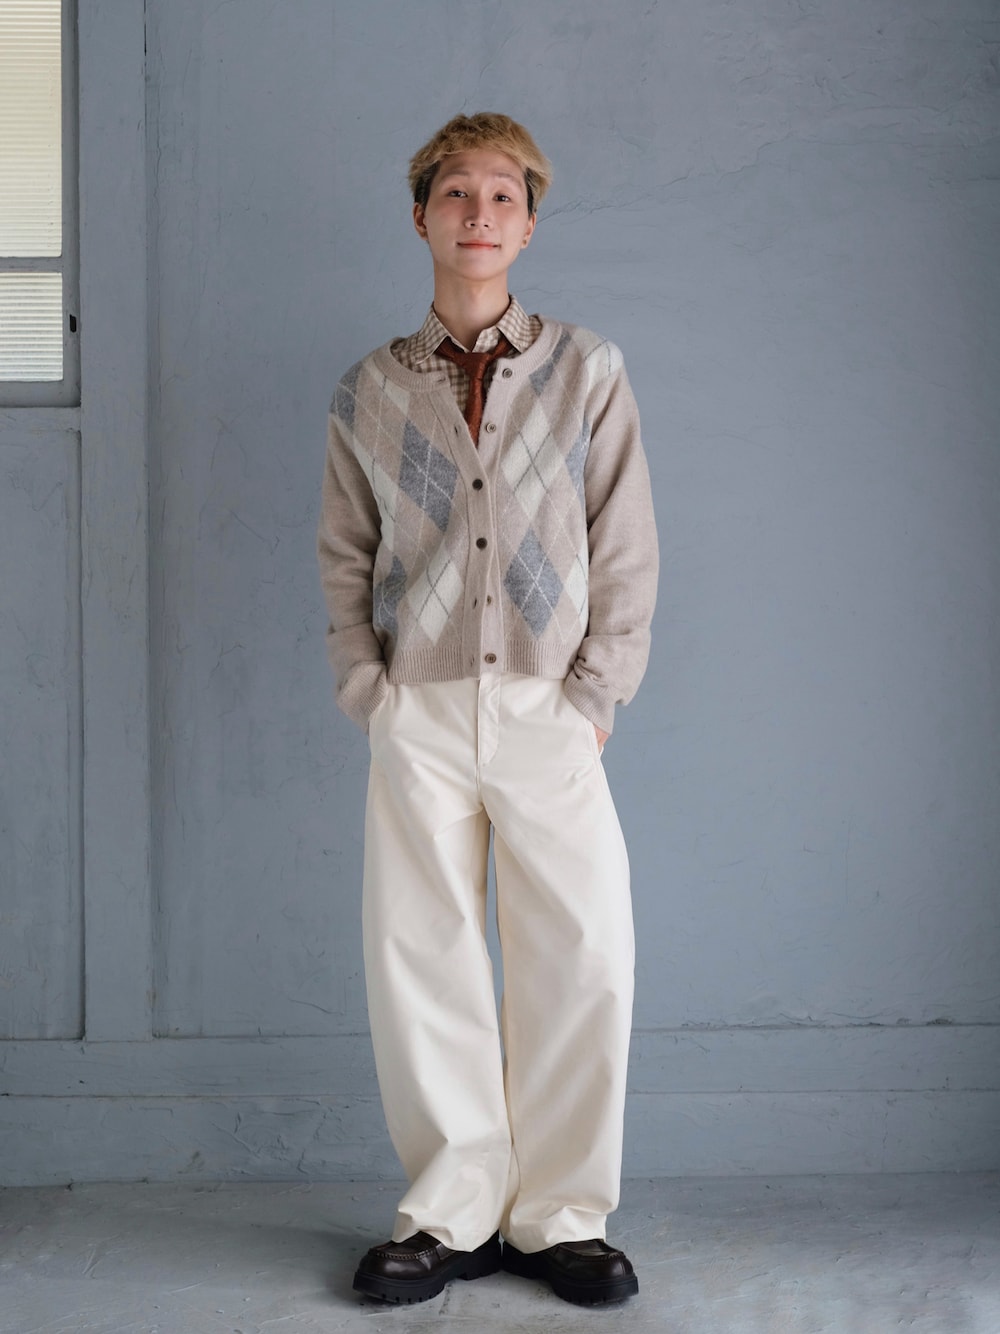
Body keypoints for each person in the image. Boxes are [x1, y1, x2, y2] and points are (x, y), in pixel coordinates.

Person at [317, 111, 658, 1308]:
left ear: (528, 224)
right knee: (420, 953)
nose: (479, 213)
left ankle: (562, 1216)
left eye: (503, 195)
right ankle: (449, 1210)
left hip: (546, 704)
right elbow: (343, 553)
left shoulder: (586, 370)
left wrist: (593, 694)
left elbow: (624, 543)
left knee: (583, 950)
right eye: (457, 193)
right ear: (421, 216)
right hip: (415, 702)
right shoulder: (370, 387)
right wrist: (368, 689)